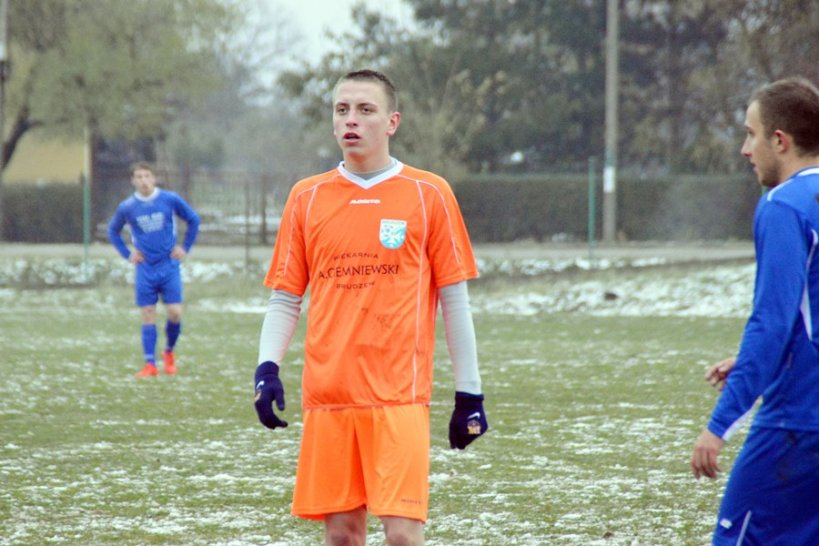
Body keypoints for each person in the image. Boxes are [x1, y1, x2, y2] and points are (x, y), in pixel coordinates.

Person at [253, 69, 489, 545]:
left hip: (398, 395)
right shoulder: (307, 197)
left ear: (392, 121)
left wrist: (470, 393)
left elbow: (454, 300)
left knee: (402, 534)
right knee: (342, 534)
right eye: (342, 110)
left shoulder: (429, 193)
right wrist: (266, 369)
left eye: (365, 110)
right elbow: (285, 297)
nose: (351, 120)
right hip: (330, 396)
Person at [690, 76, 819, 545]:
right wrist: (753, 361)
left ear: (780, 141)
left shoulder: (784, 206)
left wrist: (719, 426)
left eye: (751, 134)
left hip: (797, 423)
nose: (746, 150)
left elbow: (772, 322)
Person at [108, 161, 200, 378]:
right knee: (148, 314)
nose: (144, 181)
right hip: (145, 268)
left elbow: (193, 219)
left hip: (169, 265)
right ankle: (150, 364)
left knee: (175, 313)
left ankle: (168, 352)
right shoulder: (128, 207)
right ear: (133, 180)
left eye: (147, 176)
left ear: (154, 178)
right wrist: (128, 254)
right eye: (139, 177)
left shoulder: (169, 199)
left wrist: (184, 247)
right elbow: (113, 231)